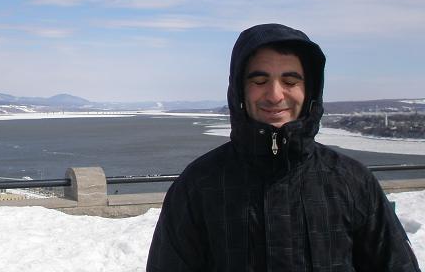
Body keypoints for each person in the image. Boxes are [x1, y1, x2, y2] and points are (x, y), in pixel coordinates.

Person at [146, 23, 420, 271]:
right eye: (259, 81)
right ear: (240, 89)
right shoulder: (199, 185)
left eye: (290, 81)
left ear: (309, 91)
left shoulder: (352, 182)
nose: (275, 95)